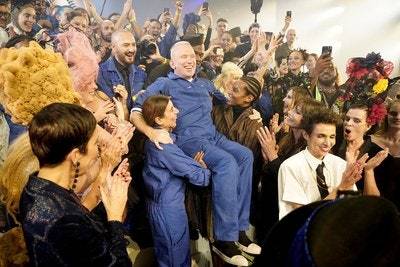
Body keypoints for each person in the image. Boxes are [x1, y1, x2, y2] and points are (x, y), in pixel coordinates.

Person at [131, 41, 260, 266]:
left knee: (245, 156)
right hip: (190, 140)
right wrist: (151, 132)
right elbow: (135, 111)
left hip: (213, 136)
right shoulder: (164, 83)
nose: (190, 60)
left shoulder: (205, 83)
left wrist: (253, 111)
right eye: (183, 57)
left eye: (192, 56)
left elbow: (230, 100)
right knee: (227, 163)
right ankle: (224, 239)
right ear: (172, 63)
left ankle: (239, 229)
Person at [20, 103, 133, 266]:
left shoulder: (35, 187)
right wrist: (115, 216)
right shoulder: (63, 221)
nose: (99, 149)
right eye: (96, 144)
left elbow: (78, 211)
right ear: (75, 155)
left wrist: (106, 177)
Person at [141, 95, 211, 266]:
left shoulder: (154, 141)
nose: (177, 111)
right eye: (172, 109)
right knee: (175, 260)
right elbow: (200, 178)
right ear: (158, 119)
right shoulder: (164, 148)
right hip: (169, 211)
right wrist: (203, 169)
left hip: (162, 207)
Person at [277, 108, 368, 219]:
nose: (328, 143)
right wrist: (341, 187)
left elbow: (351, 208)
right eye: (321, 136)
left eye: (332, 137)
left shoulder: (340, 165)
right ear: (306, 135)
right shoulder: (290, 167)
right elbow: (304, 217)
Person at [97, 30, 147, 111]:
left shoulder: (141, 73)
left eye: (133, 45)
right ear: (113, 47)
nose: (131, 49)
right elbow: (109, 106)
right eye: (126, 45)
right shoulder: (101, 73)